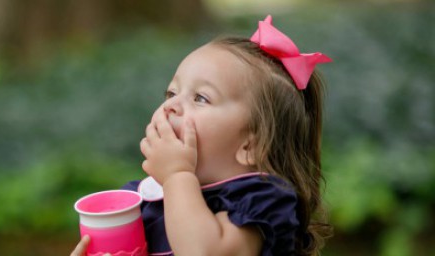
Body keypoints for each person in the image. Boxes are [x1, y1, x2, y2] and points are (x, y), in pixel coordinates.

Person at [71, 15, 332, 256]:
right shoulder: (144, 202)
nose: (171, 105)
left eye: (200, 98)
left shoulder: (258, 202)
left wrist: (176, 175)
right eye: (172, 93)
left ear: (251, 145)